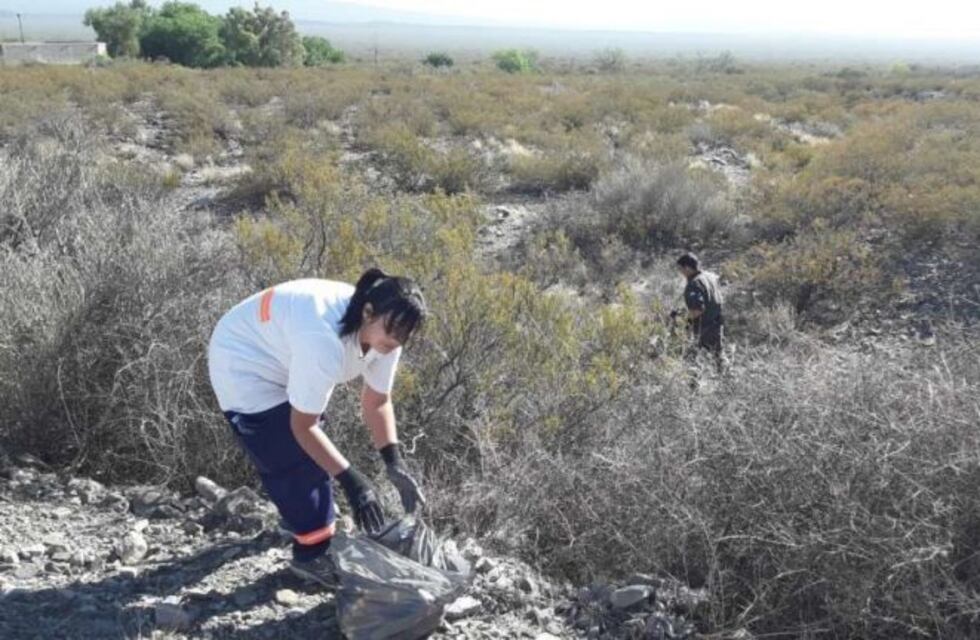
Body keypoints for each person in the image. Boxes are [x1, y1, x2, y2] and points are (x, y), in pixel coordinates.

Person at [207, 268, 427, 587]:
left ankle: (301, 517)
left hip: (279, 352)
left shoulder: (388, 333)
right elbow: (303, 426)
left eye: (403, 337)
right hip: (242, 363)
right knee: (290, 455)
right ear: (368, 312)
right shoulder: (323, 338)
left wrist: (395, 463)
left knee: (312, 453)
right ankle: (310, 556)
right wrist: (355, 484)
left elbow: (377, 401)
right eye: (392, 334)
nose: (395, 344)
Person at [672, 252, 727, 377]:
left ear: (687, 268)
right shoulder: (710, 277)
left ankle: (693, 389)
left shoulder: (694, 284)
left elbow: (697, 310)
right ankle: (726, 383)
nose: (681, 273)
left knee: (690, 358)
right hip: (717, 324)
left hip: (703, 327)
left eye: (681, 269)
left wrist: (681, 318)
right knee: (719, 357)